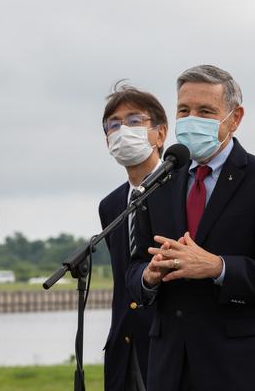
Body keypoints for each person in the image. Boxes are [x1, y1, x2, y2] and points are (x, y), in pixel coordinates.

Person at [126, 65, 255, 391]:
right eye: (184, 110)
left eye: (205, 111)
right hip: (170, 366)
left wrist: (218, 267)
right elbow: (134, 267)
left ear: (235, 118)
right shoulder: (158, 182)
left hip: (240, 368)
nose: (191, 119)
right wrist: (148, 277)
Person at [98, 82, 168, 391]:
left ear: (160, 134)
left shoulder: (180, 188)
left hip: (167, 343)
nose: (122, 130)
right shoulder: (110, 204)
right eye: (113, 125)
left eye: (134, 121)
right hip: (123, 347)